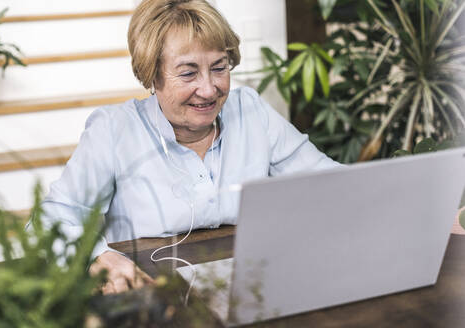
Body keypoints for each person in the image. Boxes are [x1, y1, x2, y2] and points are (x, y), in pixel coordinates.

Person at [37, 0, 340, 294]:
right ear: (152, 74)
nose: (209, 89)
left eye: (219, 68)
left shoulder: (251, 110)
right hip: (152, 297)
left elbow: (334, 184)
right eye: (188, 73)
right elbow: (53, 216)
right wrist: (98, 257)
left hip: (248, 289)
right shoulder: (114, 130)